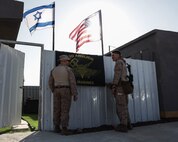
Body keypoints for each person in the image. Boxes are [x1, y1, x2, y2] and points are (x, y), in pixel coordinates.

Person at [48, 54, 78, 135]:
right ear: (63, 61)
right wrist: (75, 93)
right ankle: (64, 128)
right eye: (67, 61)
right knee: (65, 109)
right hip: (65, 90)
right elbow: (72, 82)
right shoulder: (68, 69)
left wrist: (53, 90)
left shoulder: (53, 70)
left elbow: (50, 82)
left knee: (56, 109)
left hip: (56, 90)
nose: (68, 62)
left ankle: (56, 127)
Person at [111, 50, 132, 132]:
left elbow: (117, 76)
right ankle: (128, 124)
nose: (112, 57)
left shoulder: (118, 63)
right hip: (124, 87)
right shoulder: (123, 62)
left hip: (120, 87)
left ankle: (123, 125)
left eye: (113, 55)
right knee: (124, 106)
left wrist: (114, 86)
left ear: (118, 55)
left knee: (120, 107)